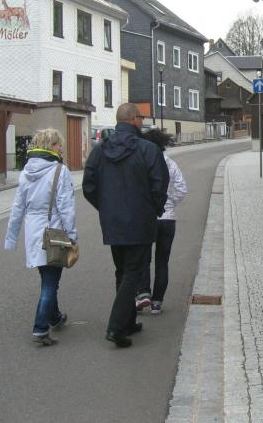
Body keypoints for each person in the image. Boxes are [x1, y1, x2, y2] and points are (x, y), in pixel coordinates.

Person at [83, 103, 169, 348]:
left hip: (113, 222)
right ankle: (116, 327)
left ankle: (129, 321)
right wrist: (153, 210)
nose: (143, 121)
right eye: (141, 117)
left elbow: (89, 185)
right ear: (133, 120)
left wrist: (106, 208)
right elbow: (160, 184)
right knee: (133, 272)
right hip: (140, 221)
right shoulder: (148, 149)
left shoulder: (100, 150)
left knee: (122, 271)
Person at [4, 128, 77, 346]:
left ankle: (55, 317)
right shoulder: (60, 171)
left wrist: (11, 238)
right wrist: (72, 235)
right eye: (58, 144)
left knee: (47, 277)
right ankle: (40, 327)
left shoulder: (26, 171)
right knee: (51, 281)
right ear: (51, 145)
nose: (61, 148)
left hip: (33, 231)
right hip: (54, 231)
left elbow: (18, 207)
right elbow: (66, 207)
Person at [135, 129, 188, 315]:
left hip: (146, 217)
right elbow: (181, 188)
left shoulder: (142, 163)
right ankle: (157, 302)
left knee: (143, 258)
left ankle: (143, 293)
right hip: (167, 218)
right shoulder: (171, 164)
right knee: (162, 261)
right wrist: (170, 202)